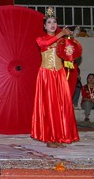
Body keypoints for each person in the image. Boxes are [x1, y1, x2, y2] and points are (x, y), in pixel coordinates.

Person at [31, 8, 79, 148]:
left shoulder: (62, 40)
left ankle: (59, 136)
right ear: (45, 26)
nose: (52, 24)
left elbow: (71, 53)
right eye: (49, 22)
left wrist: (70, 40)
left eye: (54, 22)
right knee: (49, 106)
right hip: (46, 75)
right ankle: (49, 138)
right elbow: (46, 44)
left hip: (59, 74)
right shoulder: (40, 39)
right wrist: (61, 34)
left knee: (60, 105)